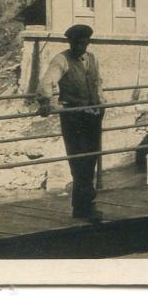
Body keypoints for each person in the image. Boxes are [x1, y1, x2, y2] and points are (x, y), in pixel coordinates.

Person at [37, 23, 105, 222]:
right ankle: (82, 208)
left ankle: (86, 206)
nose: (81, 47)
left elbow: (98, 83)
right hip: (74, 118)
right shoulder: (61, 60)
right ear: (70, 43)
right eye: (77, 43)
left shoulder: (92, 59)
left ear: (88, 42)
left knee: (90, 160)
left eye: (84, 43)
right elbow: (46, 82)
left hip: (92, 116)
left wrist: (102, 104)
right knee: (79, 162)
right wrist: (45, 102)